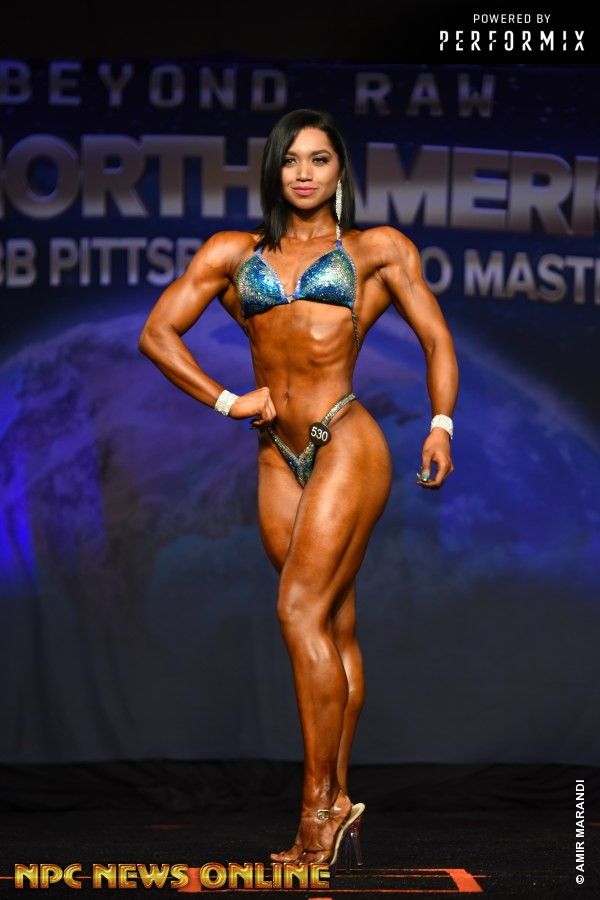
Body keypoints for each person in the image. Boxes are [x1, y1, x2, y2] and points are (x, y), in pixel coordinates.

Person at [138, 108, 458, 869]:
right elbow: (156, 333)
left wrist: (441, 424)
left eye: (319, 158)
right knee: (332, 627)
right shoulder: (233, 252)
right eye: (291, 160)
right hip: (275, 454)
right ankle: (340, 798)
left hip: (346, 438)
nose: (305, 172)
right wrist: (227, 400)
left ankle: (317, 810)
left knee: (298, 611)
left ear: (340, 170)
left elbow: (436, 338)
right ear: (275, 170)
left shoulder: (376, 249)